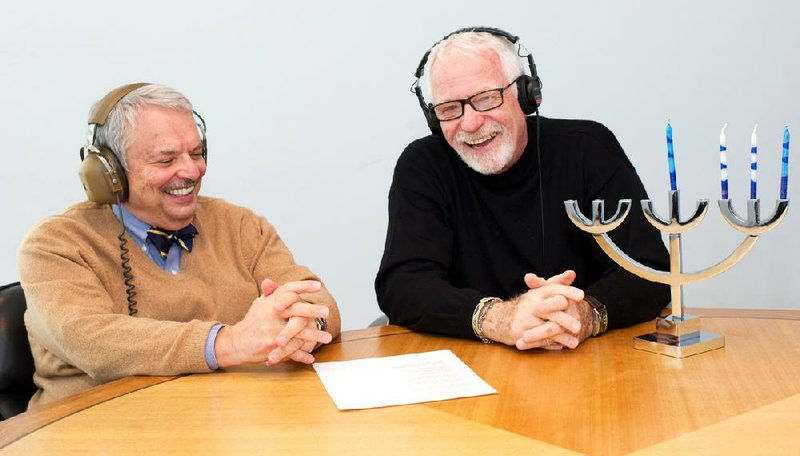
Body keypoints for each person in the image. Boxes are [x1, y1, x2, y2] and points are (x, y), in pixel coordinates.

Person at [18, 83, 340, 408]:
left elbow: (321, 304)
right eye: (165, 159)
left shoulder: (241, 225)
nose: (191, 170)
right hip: (96, 436)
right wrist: (228, 343)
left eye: (197, 153)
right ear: (110, 171)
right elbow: (91, 340)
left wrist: (306, 325)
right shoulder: (54, 245)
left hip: (224, 426)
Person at [375, 27, 670, 350]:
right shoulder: (423, 165)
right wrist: (501, 318)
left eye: (486, 98)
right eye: (449, 109)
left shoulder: (588, 148)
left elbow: (649, 271)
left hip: (586, 361)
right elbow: (403, 286)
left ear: (526, 94)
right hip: (474, 366)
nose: (470, 124)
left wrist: (583, 313)